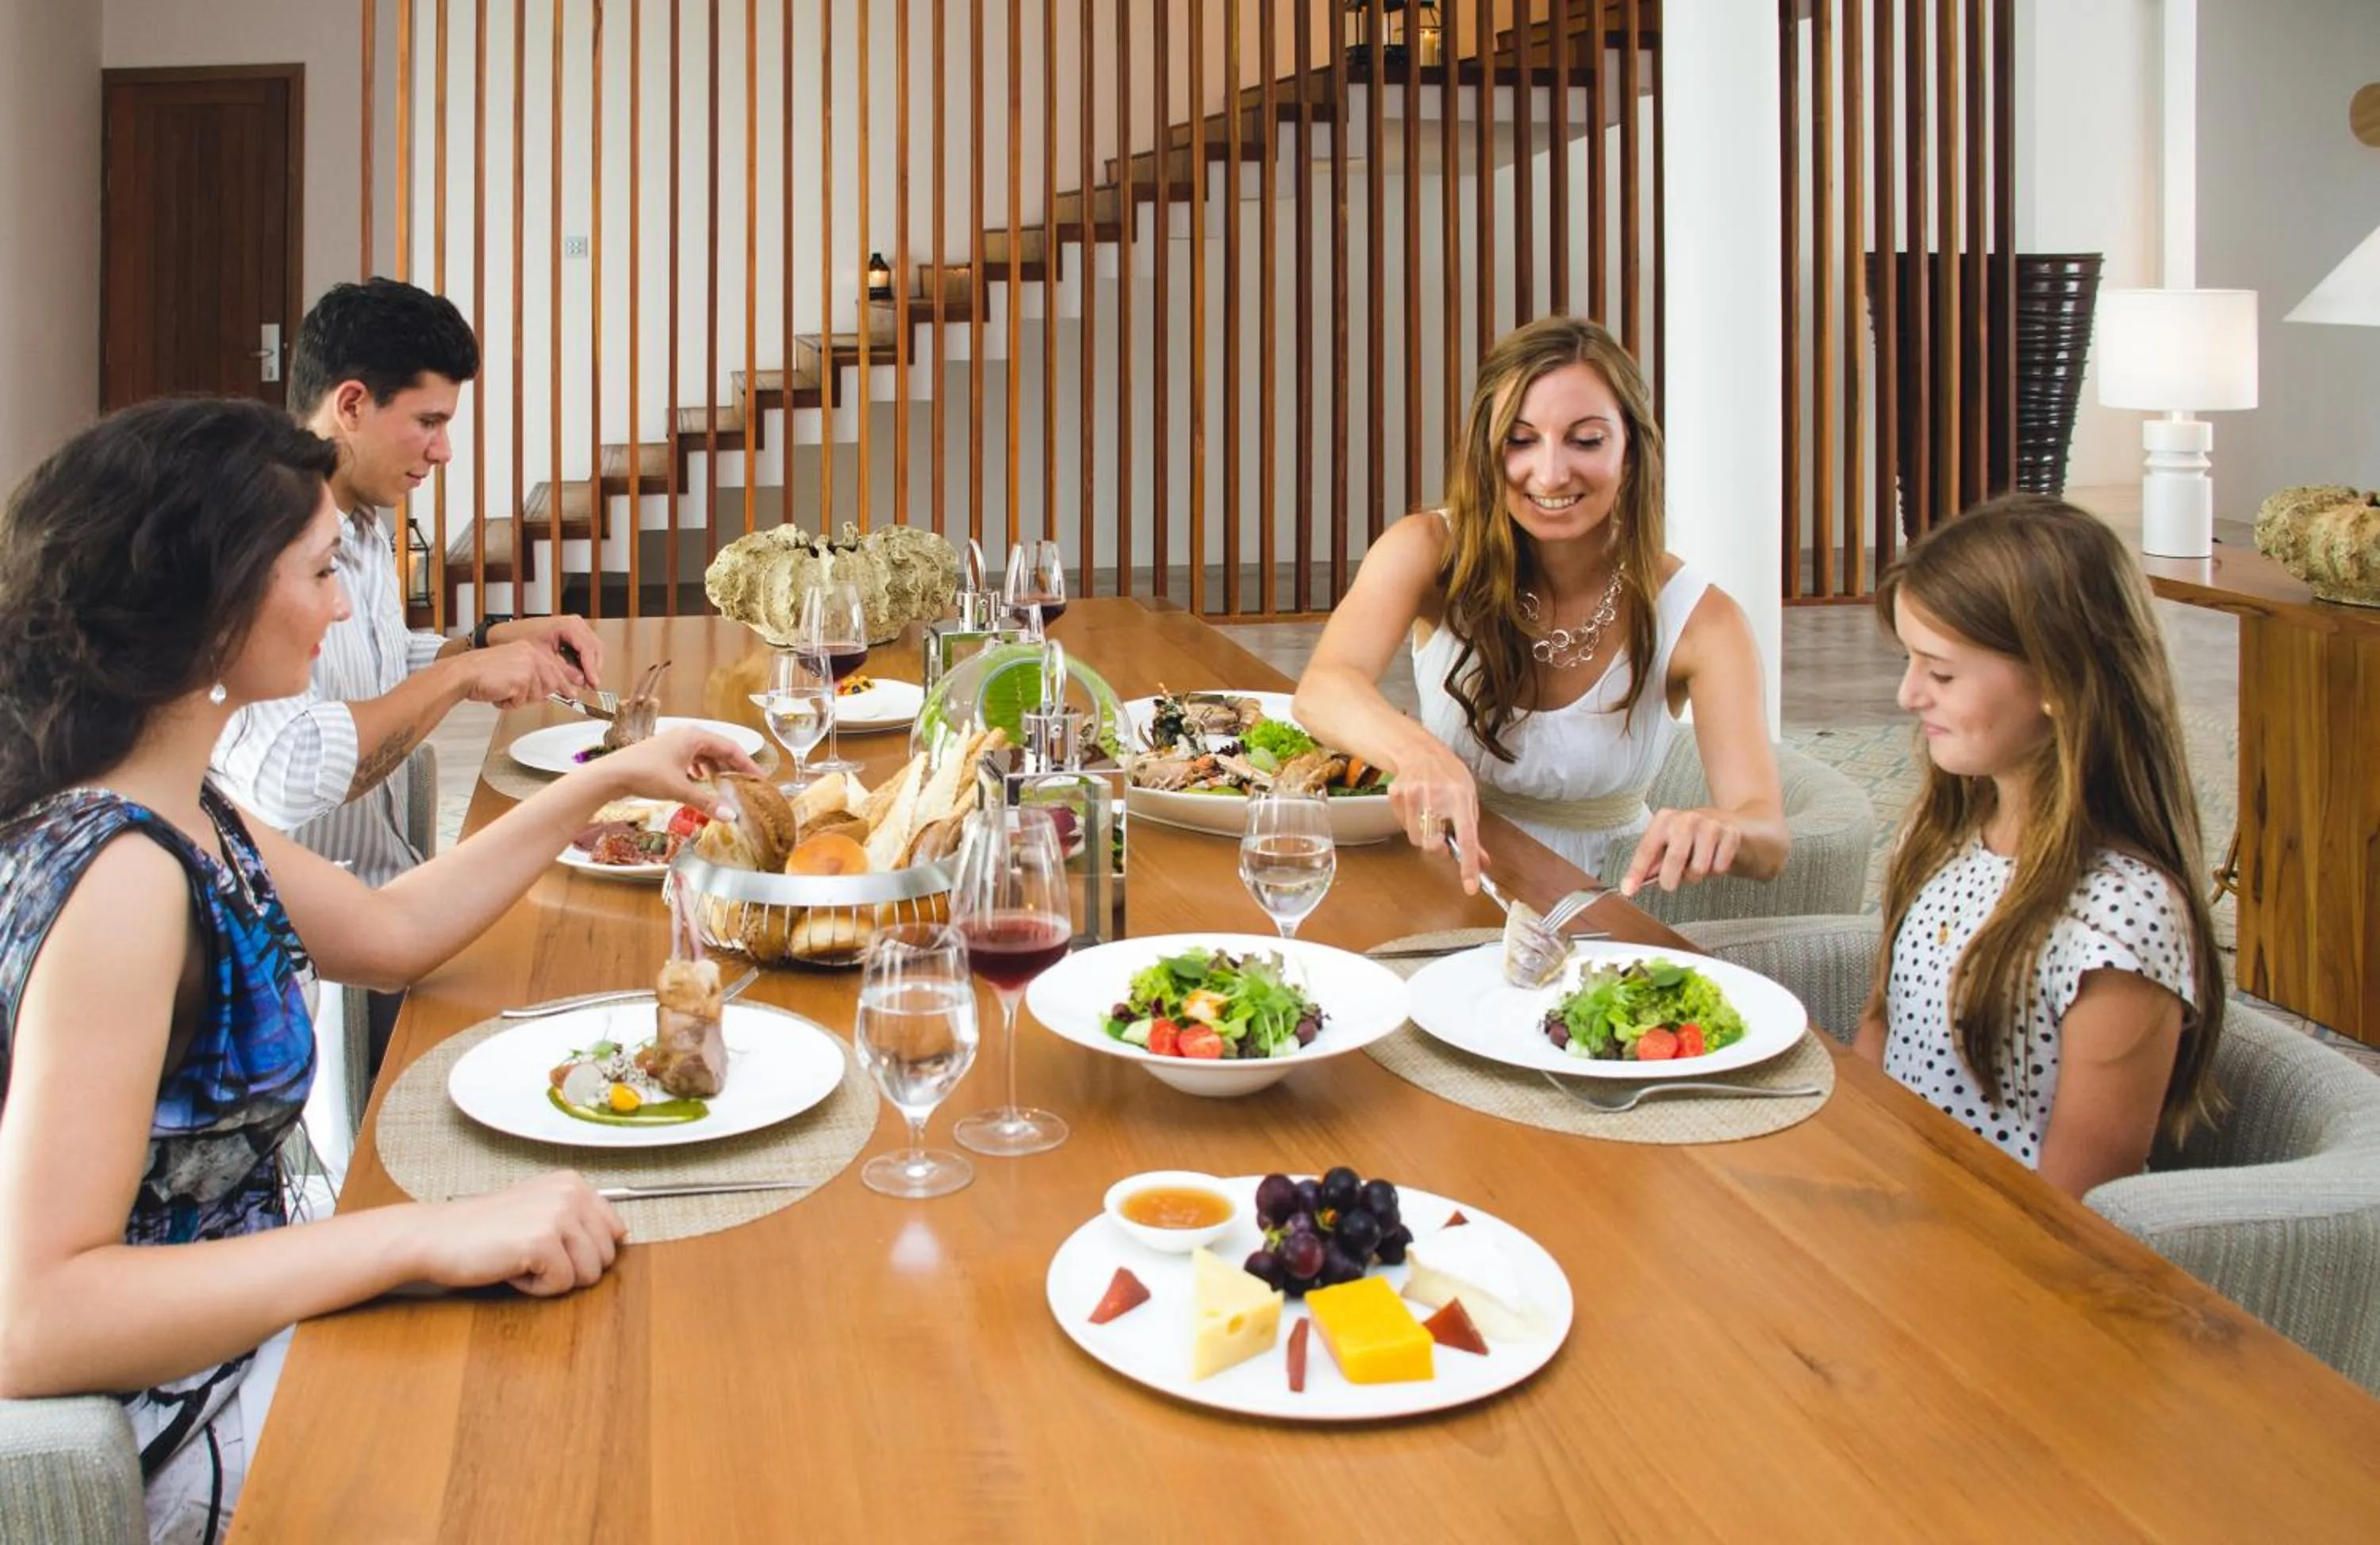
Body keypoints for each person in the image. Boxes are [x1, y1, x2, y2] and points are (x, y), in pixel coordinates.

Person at [0, 397, 758, 1543]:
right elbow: (37, 1314)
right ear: (216, 605)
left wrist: (610, 781)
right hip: (180, 1415)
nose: (343, 603)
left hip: (241, 1328)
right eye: (316, 572)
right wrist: (415, 1237)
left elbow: (391, 930)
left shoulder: (178, 808)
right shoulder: (121, 878)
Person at [1294, 314, 1787, 899]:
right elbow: (1324, 687)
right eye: (1521, 440)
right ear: (1487, 449)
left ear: (1631, 449)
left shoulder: (1702, 620)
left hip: (1599, 909)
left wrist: (1726, 825)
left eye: (1586, 440)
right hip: (1439, 885)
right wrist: (1420, 754)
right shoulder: (1427, 549)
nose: (1550, 474)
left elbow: (1768, 839)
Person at [1855, 494, 2225, 1198]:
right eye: (1909, 662)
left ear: (2056, 682)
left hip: (2007, 1264)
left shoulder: (2120, 919)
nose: (1908, 695)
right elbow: (1882, 1031)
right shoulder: (1940, 836)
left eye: (1940, 673)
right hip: (1890, 1206)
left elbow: (2079, 1209)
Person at [213, 278, 603, 889]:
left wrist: (489, 640)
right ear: (350, 406)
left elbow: (378, 663)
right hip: (317, 952)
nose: (444, 450)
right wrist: (459, 676)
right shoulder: (257, 542)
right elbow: (293, 772)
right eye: (428, 421)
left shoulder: (362, 522)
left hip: (393, 885)